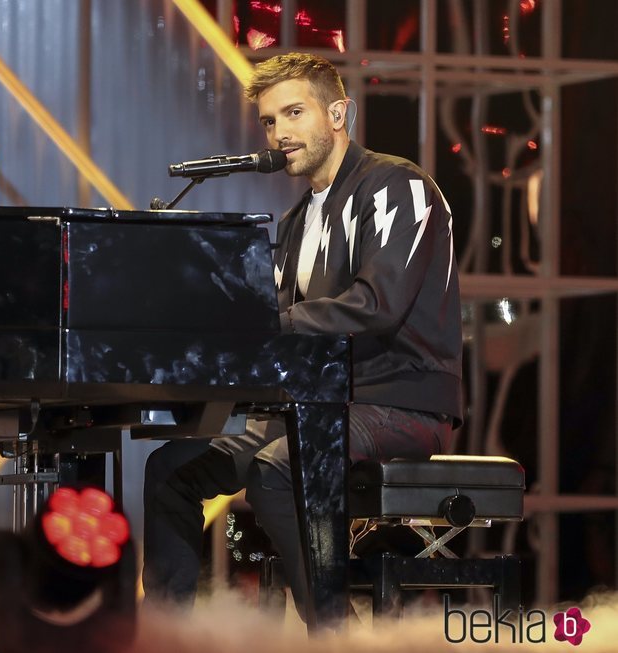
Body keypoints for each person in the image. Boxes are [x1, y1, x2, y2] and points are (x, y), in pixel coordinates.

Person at [142, 52, 463, 614]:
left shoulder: (398, 186)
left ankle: (332, 632)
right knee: (172, 469)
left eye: (294, 113)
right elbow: (275, 338)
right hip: (307, 407)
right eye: (269, 121)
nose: (280, 133)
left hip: (400, 404)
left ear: (340, 114)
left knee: (278, 470)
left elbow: (377, 306)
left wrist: (264, 325)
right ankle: (168, 636)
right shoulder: (292, 225)